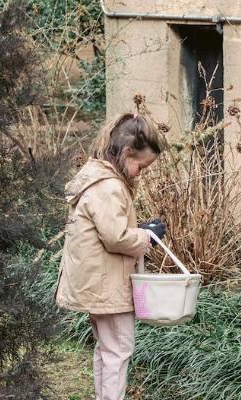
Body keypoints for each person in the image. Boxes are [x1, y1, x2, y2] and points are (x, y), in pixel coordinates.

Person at [55, 112, 166, 400]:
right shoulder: (109, 186)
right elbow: (115, 237)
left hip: (99, 279)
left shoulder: (99, 179)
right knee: (119, 348)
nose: (140, 173)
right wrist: (147, 237)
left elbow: (110, 228)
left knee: (108, 348)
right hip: (107, 284)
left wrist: (138, 230)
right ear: (128, 152)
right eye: (141, 166)